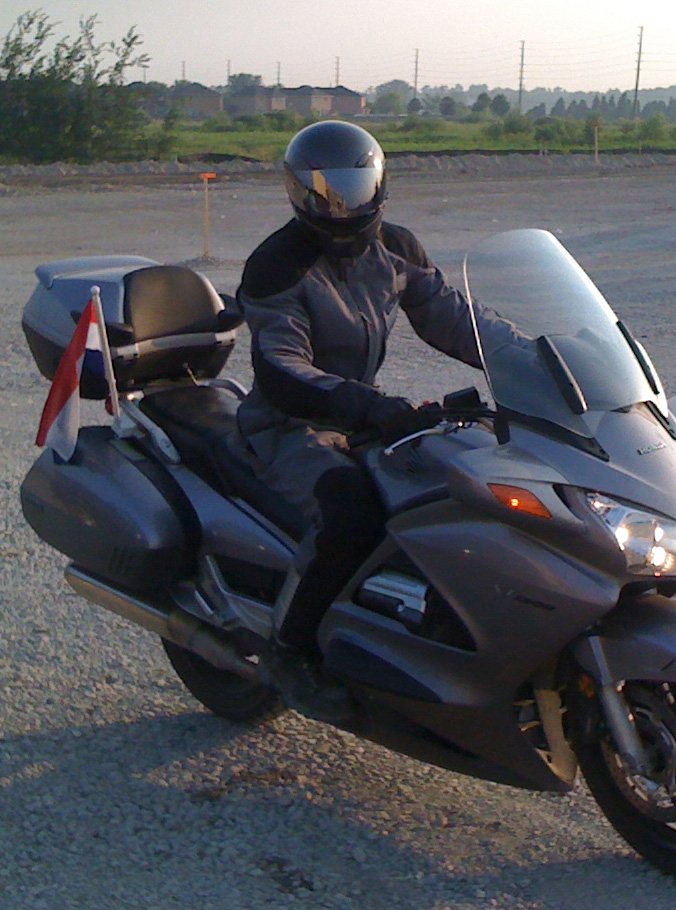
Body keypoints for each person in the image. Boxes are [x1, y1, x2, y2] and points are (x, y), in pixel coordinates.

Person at [235, 120, 487, 722]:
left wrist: (540, 360)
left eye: (353, 189)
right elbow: (282, 368)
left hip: (359, 412)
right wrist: (369, 406)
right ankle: (290, 652)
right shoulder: (277, 265)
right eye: (326, 193)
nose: (341, 207)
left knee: (456, 482)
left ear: (379, 185)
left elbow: (457, 320)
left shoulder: (396, 248)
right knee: (352, 507)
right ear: (300, 193)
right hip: (287, 424)